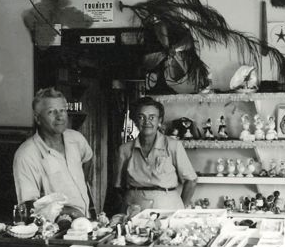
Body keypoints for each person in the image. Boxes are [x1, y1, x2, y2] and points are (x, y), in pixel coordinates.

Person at [12, 87, 93, 217]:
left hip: (84, 222)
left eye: (62, 110)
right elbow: (28, 206)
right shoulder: (26, 155)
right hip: (54, 231)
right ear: (38, 119)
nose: (60, 116)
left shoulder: (76, 139)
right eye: (51, 112)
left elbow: (88, 159)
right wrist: (70, 212)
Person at [113, 97, 198, 211]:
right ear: (135, 121)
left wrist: (180, 208)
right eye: (141, 117)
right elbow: (118, 186)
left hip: (168, 209)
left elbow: (191, 181)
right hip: (133, 210)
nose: (147, 122)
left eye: (152, 117)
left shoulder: (173, 146)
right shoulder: (125, 149)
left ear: (159, 121)